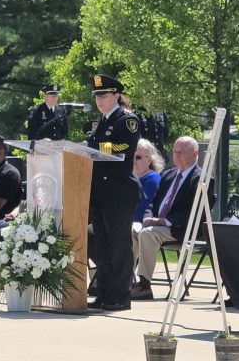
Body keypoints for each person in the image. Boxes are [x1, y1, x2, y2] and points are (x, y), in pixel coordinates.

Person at [131, 136, 216, 300]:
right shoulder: (167, 175)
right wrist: (148, 218)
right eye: (175, 152)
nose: (177, 155)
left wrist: (164, 221)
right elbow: (152, 203)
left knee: (147, 234)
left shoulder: (201, 179)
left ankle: (144, 285)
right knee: (132, 233)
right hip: (157, 226)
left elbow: (195, 211)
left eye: (182, 152)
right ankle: (126, 282)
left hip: (183, 228)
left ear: (195, 153)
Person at [87, 74, 141, 312]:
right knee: (103, 245)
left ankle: (120, 295)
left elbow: (126, 146)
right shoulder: (101, 121)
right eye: (97, 96)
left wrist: (98, 147)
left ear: (117, 95)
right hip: (100, 190)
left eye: (104, 95)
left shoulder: (127, 120)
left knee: (118, 244)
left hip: (119, 191)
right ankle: (105, 292)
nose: (100, 100)